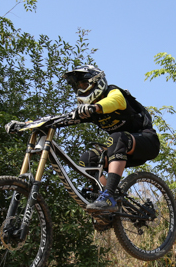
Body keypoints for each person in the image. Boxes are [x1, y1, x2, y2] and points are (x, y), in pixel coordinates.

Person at [63, 65, 160, 213]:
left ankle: (108, 196)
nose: (81, 89)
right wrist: (29, 124)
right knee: (87, 159)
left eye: (84, 84)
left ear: (96, 82)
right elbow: (64, 119)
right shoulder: (91, 108)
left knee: (117, 138)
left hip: (147, 143)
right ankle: (108, 200)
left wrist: (95, 108)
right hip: (120, 150)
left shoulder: (113, 93)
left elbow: (113, 101)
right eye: (78, 86)